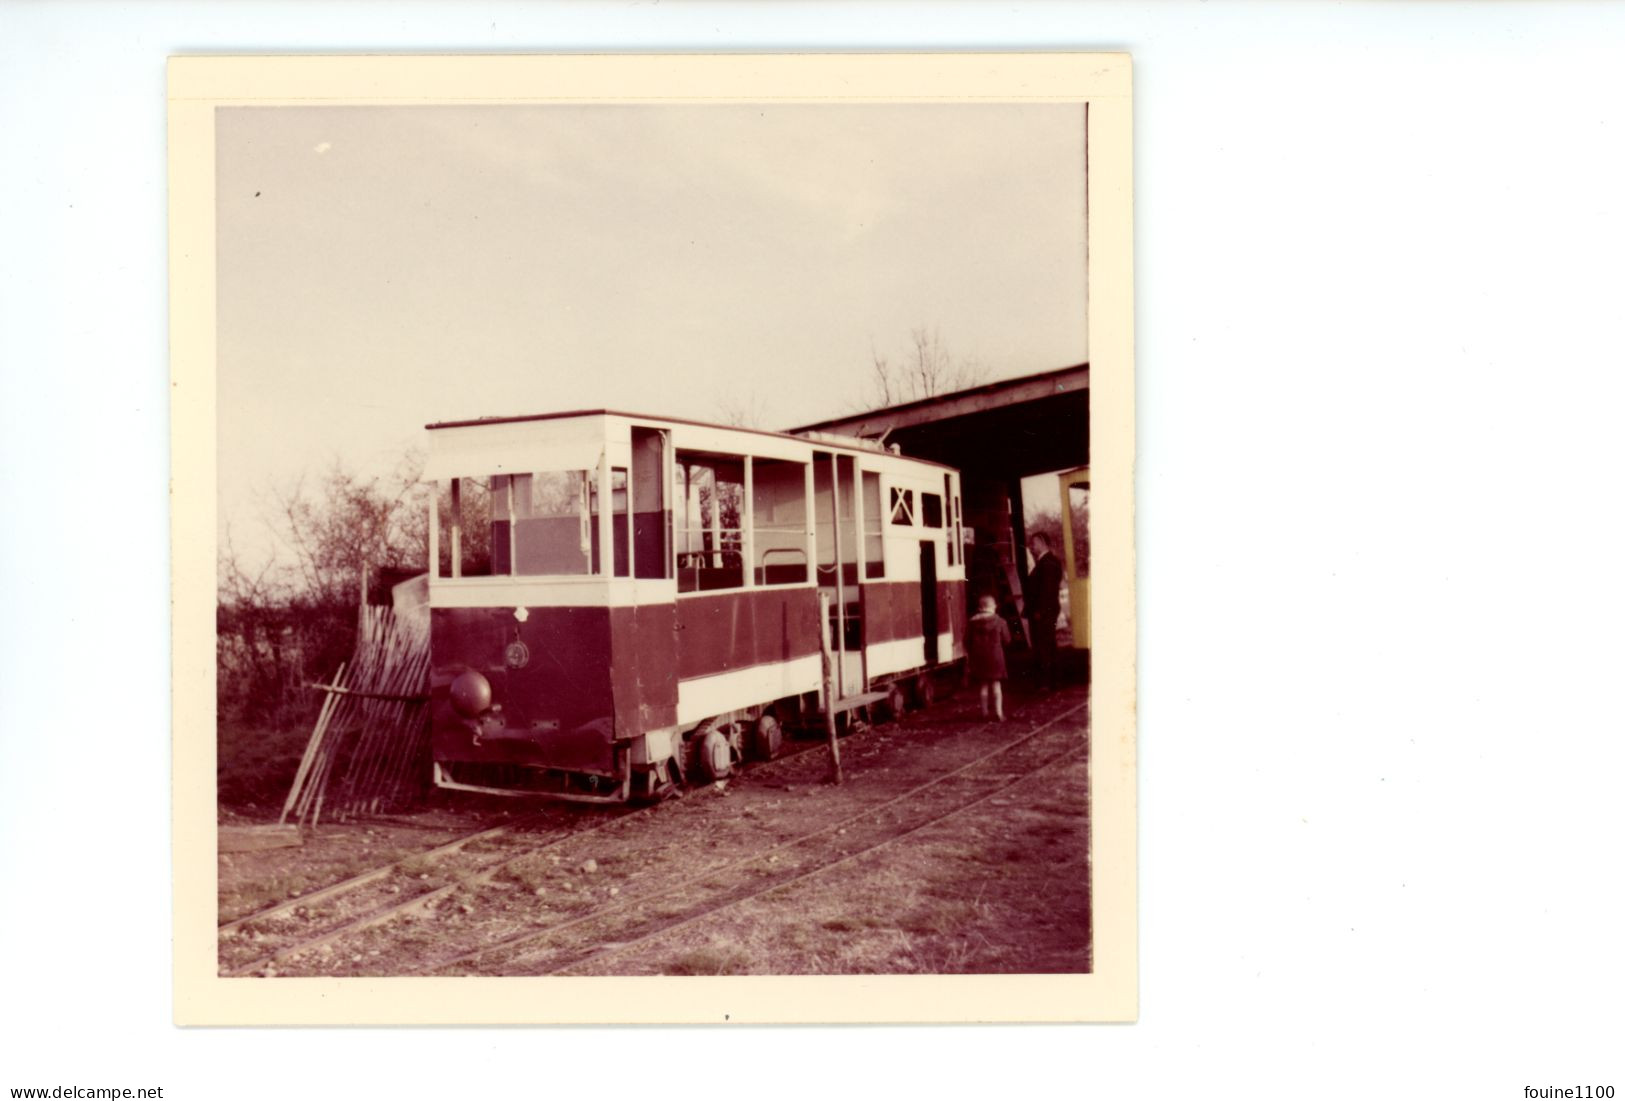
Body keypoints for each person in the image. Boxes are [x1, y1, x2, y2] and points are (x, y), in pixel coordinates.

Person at [1026, 532, 1064, 691]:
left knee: (1044, 646)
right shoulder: (1049, 561)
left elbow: (1046, 591)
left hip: (1043, 612)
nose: (1031, 547)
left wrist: (1039, 611)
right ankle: (1049, 681)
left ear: (1042, 542)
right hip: (1046, 611)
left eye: (1033, 543)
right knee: (1047, 644)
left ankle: (1046, 683)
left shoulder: (1047, 563)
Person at [967, 593, 1011, 720]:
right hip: (996, 657)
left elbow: (967, 641)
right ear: (993, 607)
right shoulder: (1000, 621)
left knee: (983, 685)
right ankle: (998, 712)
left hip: (979, 657)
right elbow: (1007, 640)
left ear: (980, 608)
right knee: (996, 685)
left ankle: (984, 713)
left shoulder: (972, 623)